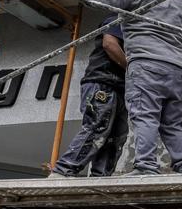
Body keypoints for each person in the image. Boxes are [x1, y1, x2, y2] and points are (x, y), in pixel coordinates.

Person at [51, 0, 182, 175]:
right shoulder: (177, 1)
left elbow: (105, 0)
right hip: (176, 70)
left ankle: (146, 166)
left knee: (144, 115)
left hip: (146, 63)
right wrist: (180, 63)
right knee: (172, 123)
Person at [49, 16, 129, 177]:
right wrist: (132, 68)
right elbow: (109, 44)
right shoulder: (119, 20)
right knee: (97, 127)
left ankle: (100, 177)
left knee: (115, 137)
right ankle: (63, 171)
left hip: (120, 87)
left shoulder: (136, 28)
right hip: (103, 82)